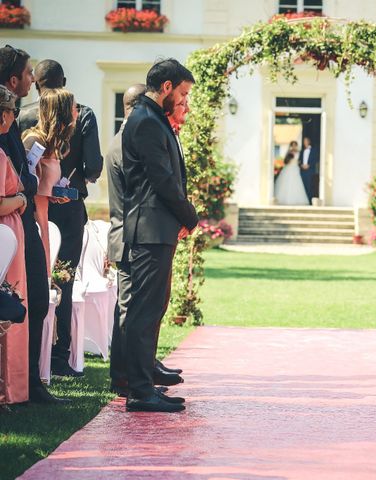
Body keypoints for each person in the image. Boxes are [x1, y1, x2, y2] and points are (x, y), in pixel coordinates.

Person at [121, 59, 198, 412]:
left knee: (151, 309)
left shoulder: (151, 118)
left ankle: (144, 383)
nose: (184, 100)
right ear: (166, 87)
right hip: (150, 228)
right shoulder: (147, 120)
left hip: (156, 227)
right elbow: (162, 179)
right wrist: (189, 215)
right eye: (182, 92)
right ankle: (139, 390)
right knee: (144, 311)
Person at [19, 60, 103, 377]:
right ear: (64, 81)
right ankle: (59, 352)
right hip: (66, 209)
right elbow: (94, 167)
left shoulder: (22, 114)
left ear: (37, 84)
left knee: (32, 279)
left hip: (32, 208)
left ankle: (32, 350)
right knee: (63, 278)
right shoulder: (82, 113)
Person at [0, 45, 65, 403]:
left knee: (35, 300)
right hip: (12, 220)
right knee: (21, 302)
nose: (32, 79)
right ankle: (19, 386)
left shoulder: (11, 118)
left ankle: (30, 383)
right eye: (27, 74)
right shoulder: (9, 119)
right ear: (14, 79)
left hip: (22, 216)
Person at [22, 88, 77, 274]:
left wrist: (56, 193)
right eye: (73, 107)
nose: (76, 112)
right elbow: (22, 182)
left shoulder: (55, 144)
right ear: (61, 111)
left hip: (44, 221)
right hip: (31, 222)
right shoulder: (34, 140)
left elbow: (42, 184)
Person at [0, 85, 29, 405]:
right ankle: (10, 388)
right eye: (10, 112)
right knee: (10, 302)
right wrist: (21, 198)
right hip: (5, 237)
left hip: (10, 233)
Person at [299, 136, 319, 203]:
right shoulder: (302, 151)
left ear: (309, 141)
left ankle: (309, 201)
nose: (305, 142)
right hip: (303, 171)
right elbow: (300, 160)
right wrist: (301, 165)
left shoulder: (313, 150)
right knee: (303, 185)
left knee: (310, 186)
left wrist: (309, 165)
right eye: (304, 141)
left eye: (306, 141)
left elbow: (316, 160)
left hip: (310, 171)